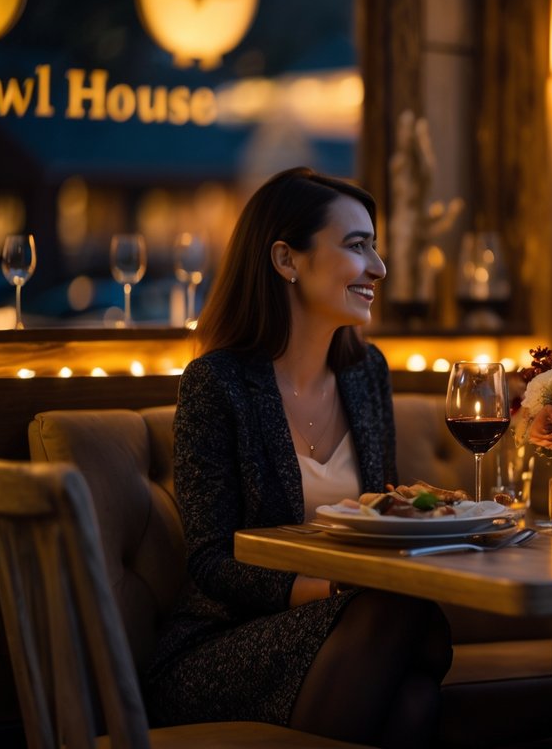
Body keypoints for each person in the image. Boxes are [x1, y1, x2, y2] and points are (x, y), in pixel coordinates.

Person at [145, 167, 452, 746]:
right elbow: (212, 561)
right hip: (224, 640)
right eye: (357, 247)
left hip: (350, 624)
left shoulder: (367, 375)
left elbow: (378, 519)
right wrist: (335, 591)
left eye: (376, 247)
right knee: (407, 625)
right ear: (287, 260)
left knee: (415, 697)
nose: (379, 269)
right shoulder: (218, 383)